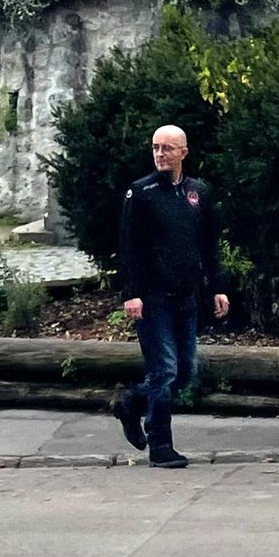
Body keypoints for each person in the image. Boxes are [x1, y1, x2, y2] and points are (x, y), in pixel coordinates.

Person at [112, 124, 229, 469]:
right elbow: (128, 247)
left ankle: (132, 404)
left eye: (167, 148)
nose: (160, 154)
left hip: (186, 294)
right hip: (153, 296)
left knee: (184, 372)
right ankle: (160, 444)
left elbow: (209, 245)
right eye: (155, 148)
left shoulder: (198, 193)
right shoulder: (142, 192)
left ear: (183, 153)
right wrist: (131, 293)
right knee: (163, 370)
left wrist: (218, 286)